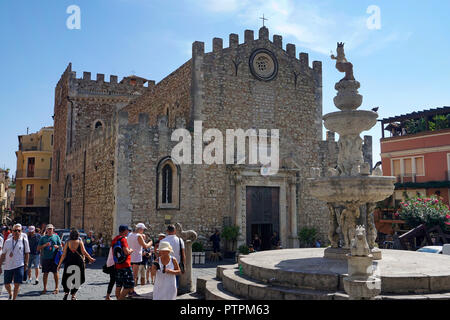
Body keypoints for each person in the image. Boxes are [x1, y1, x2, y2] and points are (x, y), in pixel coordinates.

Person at [57, 228, 95, 300]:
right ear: (77, 235)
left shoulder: (68, 242)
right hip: (78, 262)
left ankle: (66, 293)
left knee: (67, 277)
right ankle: (73, 295)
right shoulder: (80, 242)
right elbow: (84, 252)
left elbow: (63, 254)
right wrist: (90, 258)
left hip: (69, 262)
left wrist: (59, 264)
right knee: (77, 279)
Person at [0, 224, 30, 300]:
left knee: (17, 284)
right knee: (7, 284)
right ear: (12, 232)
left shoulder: (24, 241)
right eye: (15, 230)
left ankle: (14, 298)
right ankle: (10, 293)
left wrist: (26, 265)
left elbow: (27, 253)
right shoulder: (7, 241)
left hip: (19, 265)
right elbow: (3, 255)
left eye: (18, 230)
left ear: (21, 232)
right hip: (8, 266)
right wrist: (0, 266)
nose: (17, 232)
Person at [127, 223, 152, 294]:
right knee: (134, 276)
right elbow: (145, 246)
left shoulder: (130, 235)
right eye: (143, 230)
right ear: (140, 229)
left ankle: (129, 290)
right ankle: (131, 291)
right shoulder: (138, 236)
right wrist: (150, 243)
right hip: (136, 258)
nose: (143, 231)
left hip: (130, 257)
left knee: (130, 275)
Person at [37, 224, 62, 294]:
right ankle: (44, 288)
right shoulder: (43, 238)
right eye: (48, 229)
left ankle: (56, 288)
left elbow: (61, 247)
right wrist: (45, 245)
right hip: (46, 258)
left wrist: (57, 247)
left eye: (51, 229)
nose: (50, 230)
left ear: (53, 229)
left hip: (54, 258)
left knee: (55, 273)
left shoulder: (56, 237)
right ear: (46, 230)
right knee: (45, 273)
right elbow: (38, 248)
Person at [111, 225, 134, 300]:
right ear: (125, 231)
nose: (128, 232)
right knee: (129, 285)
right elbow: (126, 252)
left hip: (118, 265)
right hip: (125, 265)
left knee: (118, 285)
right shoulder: (123, 239)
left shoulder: (114, 239)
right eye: (127, 230)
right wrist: (131, 250)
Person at [160, 225, 185, 292]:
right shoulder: (180, 240)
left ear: (167, 231)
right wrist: (184, 265)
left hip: (165, 263)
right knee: (175, 283)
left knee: (164, 282)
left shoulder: (162, 240)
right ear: (175, 231)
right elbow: (183, 254)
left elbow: (160, 254)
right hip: (176, 263)